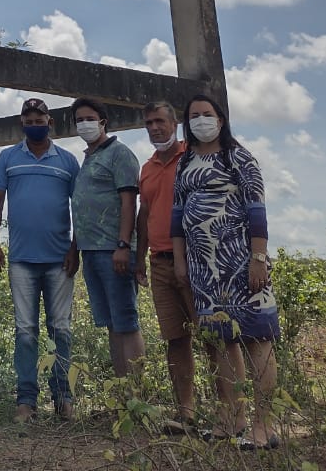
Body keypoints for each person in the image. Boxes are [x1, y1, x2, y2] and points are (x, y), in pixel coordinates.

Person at [172, 93, 280, 449]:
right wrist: (179, 259)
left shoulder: (239, 157)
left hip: (241, 262)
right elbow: (177, 215)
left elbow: (256, 209)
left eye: (207, 114)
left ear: (220, 119)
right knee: (221, 341)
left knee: (257, 338)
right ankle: (232, 420)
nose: (200, 120)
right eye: (194, 116)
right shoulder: (185, 162)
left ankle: (266, 426)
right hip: (204, 268)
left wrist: (258, 258)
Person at [0, 97, 80, 423]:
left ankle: (63, 398)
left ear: (50, 122)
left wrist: (75, 248)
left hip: (60, 261)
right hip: (21, 260)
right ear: (21, 123)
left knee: (61, 330)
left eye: (39, 117)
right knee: (26, 331)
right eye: (28, 117)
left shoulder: (67, 161)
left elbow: (79, 208)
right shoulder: (8, 158)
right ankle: (26, 401)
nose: (34, 122)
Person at [135, 99, 213, 433]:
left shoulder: (193, 158)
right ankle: (186, 414)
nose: (154, 128)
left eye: (159, 122)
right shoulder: (148, 167)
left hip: (197, 262)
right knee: (175, 339)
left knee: (212, 337)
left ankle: (230, 415)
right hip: (160, 262)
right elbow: (144, 213)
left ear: (174, 123)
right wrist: (139, 255)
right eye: (149, 123)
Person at [70, 96, 145, 377]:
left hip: (114, 251)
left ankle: (138, 396)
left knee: (126, 322)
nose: (85, 124)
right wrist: (75, 247)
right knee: (113, 325)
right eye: (79, 120)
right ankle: (123, 397)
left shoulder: (119, 153)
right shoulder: (88, 159)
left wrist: (123, 245)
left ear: (103, 122)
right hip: (91, 252)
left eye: (90, 119)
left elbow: (129, 202)